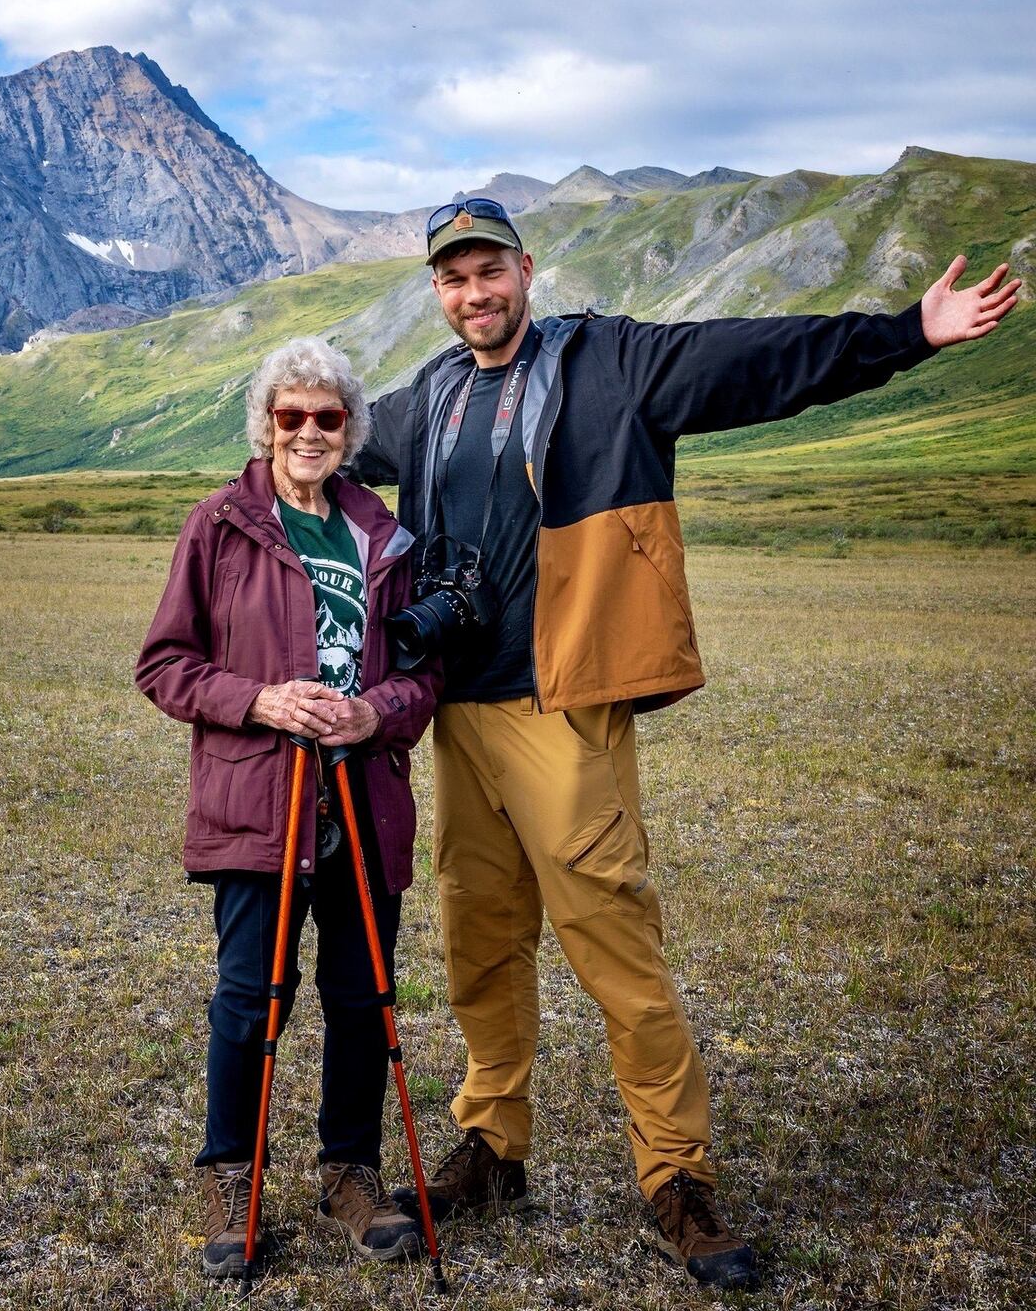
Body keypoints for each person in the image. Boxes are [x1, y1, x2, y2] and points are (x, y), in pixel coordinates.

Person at [349, 196, 1021, 1290]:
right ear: (437, 291)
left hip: (562, 703)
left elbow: (755, 361)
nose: (474, 294)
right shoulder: (423, 400)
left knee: (614, 947)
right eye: (453, 279)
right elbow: (321, 428)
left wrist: (903, 334)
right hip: (453, 710)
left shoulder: (612, 363)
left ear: (526, 269)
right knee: (477, 942)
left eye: (489, 272)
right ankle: (493, 1146)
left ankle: (676, 1177)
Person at [135, 337, 442, 1279]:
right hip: (259, 801)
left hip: (361, 797)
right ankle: (232, 1176)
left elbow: (423, 677)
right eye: (290, 416)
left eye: (328, 418)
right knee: (250, 997)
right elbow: (165, 664)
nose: (308, 432)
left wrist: (373, 712)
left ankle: (350, 1172)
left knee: (361, 996)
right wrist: (260, 700)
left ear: (350, 431)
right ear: (265, 424)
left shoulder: (382, 532)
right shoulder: (219, 524)